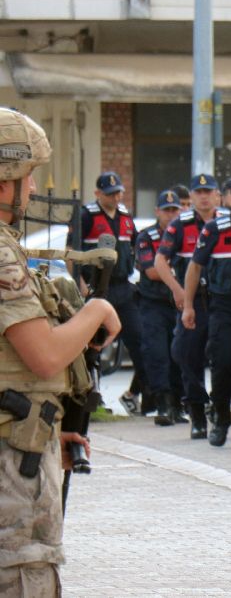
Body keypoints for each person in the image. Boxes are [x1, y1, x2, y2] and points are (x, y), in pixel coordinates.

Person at [0, 107, 120, 595]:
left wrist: (50, 430)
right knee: (25, 573)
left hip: (22, 437)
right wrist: (96, 311)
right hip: (12, 461)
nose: (32, 191)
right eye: (28, 178)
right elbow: (44, 355)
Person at [185, 174, 231, 447]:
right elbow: (195, 266)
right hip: (223, 306)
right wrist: (189, 305)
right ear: (229, 198)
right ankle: (220, 418)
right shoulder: (216, 228)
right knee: (224, 362)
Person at [154, 174, 224, 439]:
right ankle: (196, 411)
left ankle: (221, 407)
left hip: (222, 301)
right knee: (186, 354)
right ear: (191, 197)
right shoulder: (181, 225)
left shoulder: (227, 222)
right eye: (199, 192)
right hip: (194, 303)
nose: (204, 196)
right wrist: (179, 291)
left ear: (217, 195)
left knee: (225, 357)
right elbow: (161, 261)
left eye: (209, 191)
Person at [71, 172, 145, 418]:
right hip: (98, 288)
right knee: (95, 344)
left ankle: (139, 393)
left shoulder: (125, 216)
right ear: (98, 194)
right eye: (110, 193)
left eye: (118, 192)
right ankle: (94, 397)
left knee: (140, 340)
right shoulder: (87, 215)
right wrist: (81, 282)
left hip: (123, 286)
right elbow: (73, 249)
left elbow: (136, 245)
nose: (116, 196)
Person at [135, 190, 185, 425]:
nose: (171, 214)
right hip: (153, 303)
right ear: (157, 212)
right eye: (166, 210)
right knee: (157, 353)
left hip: (179, 303)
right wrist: (177, 273)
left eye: (174, 209)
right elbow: (152, 271)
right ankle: (162, 404)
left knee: (180, 354)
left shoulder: (184, 234)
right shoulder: (147, 237)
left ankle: (178, 404)